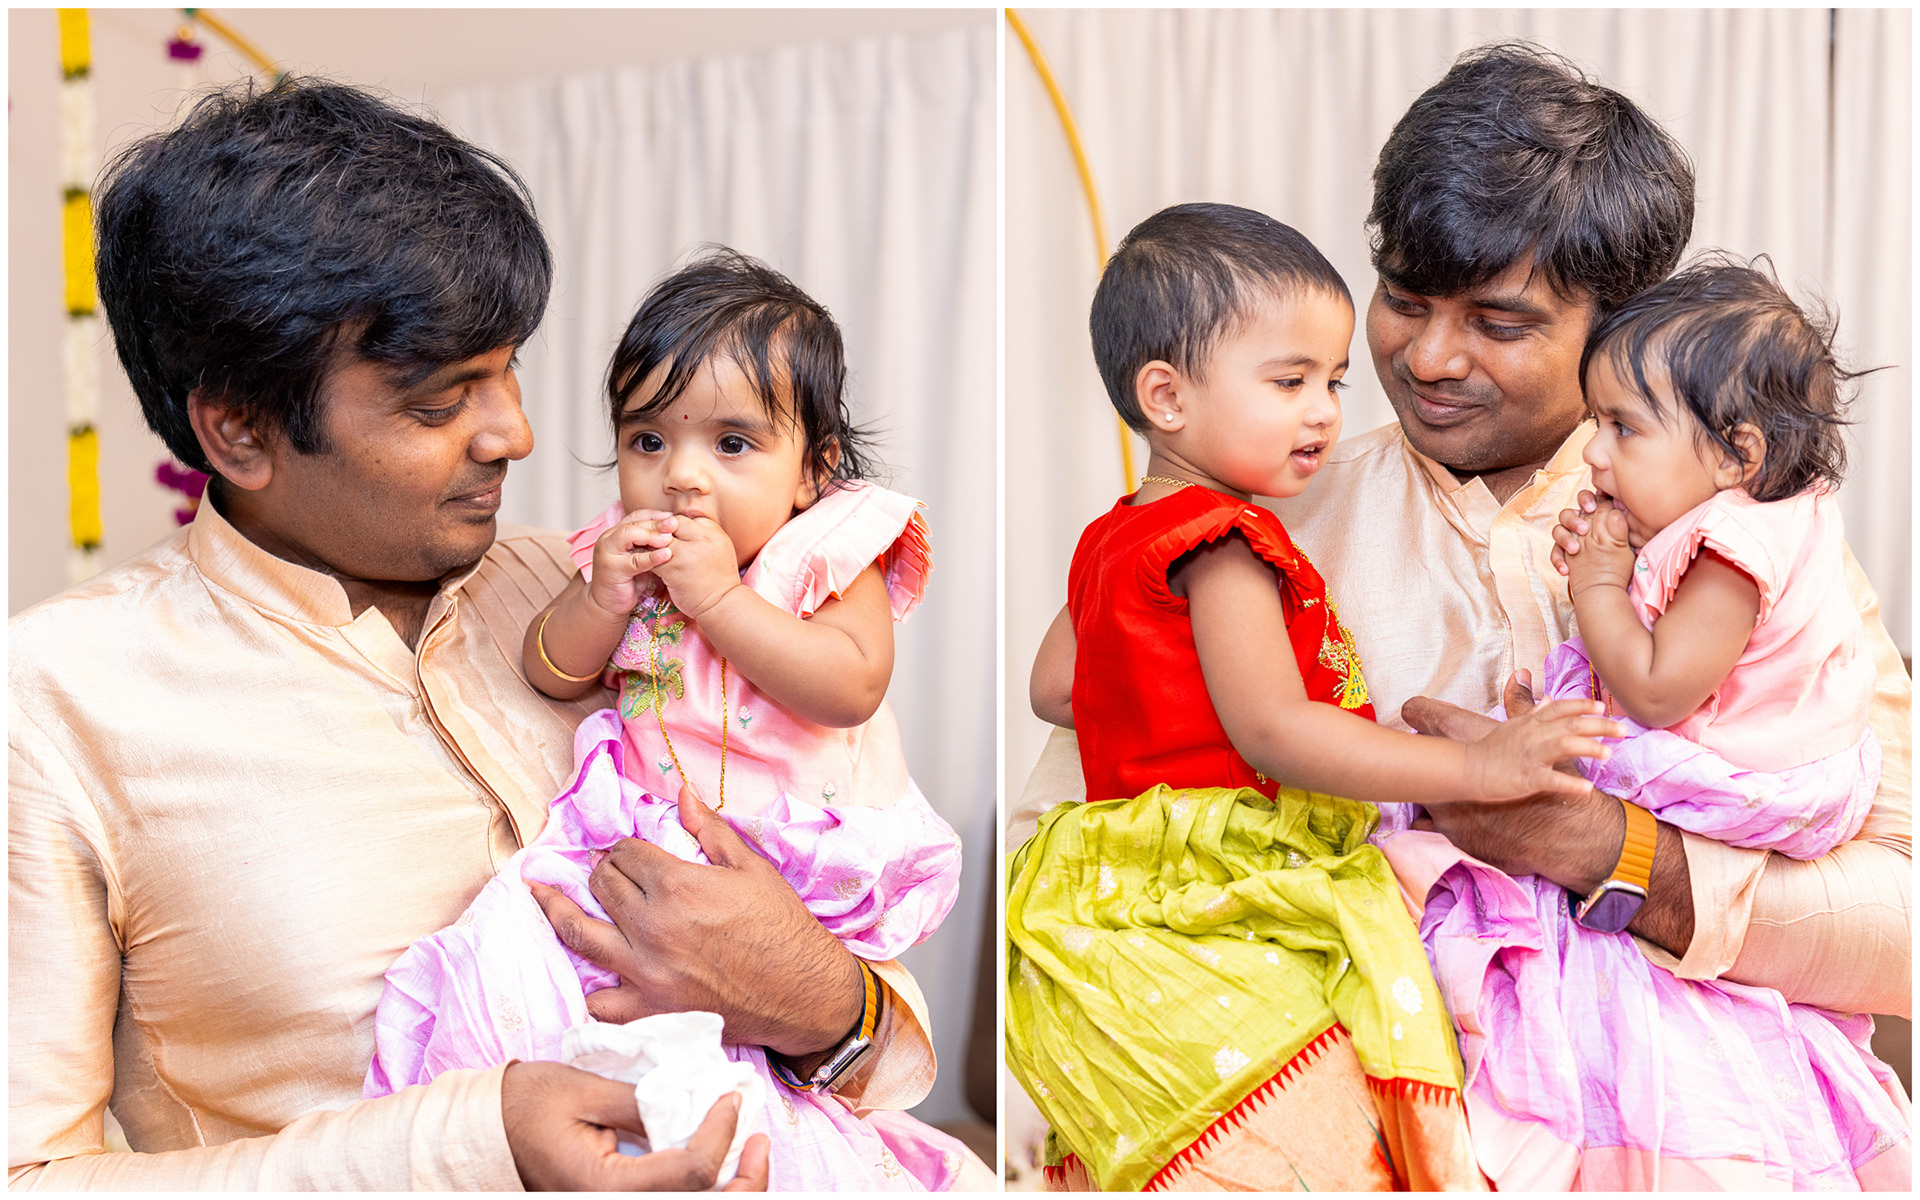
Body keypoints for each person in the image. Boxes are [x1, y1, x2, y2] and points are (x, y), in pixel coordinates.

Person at [9, 80, 942, 1190]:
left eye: (508, 369)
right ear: (241, 429)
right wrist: (469, 1147)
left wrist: (821, 998)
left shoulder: (631, 590)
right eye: (441, 400)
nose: (518, 433)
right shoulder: (59, 699)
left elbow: (865, 990)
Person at [1011, 42, 1909, 1189]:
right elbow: (1070, 864)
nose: (1428, 356)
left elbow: (1900, 925)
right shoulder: (1250, 527)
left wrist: (1611, 852)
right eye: (1403, 299)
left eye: (1499, 320)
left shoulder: (1748, 552)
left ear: (1615, 322)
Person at [1010, 202, 1624, 1191]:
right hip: (1220, 867)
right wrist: (1478, 765)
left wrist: (1166, 697)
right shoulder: (1224, 543)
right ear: (1166, 396)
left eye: (1333, 382)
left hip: (1110, 870)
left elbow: (1055, 687)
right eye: (1289, 382)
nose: (1326, 413)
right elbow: (1277, 731)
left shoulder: (1114, 533)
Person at [364, 252, 978, 1190]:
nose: (681, 477)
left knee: (752, 1053)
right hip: (649, 835)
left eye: (732, 444)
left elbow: (852, 685)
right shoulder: (621, 554)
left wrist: (721, 601)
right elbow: (552, 670)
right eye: (648, 439)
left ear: (812, 470)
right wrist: (601, 599)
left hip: (791, 849)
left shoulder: (825, 555)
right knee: (540, 962)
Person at [1405, 259, 1908, 1187]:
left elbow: (1654, 690)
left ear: (1738, 454)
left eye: (1620, 427)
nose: (1594, 453)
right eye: (1402, 301)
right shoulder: (1720, 510)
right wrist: (1630, 566)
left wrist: (1599, 587)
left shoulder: (1736, 545)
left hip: (1758, 784)